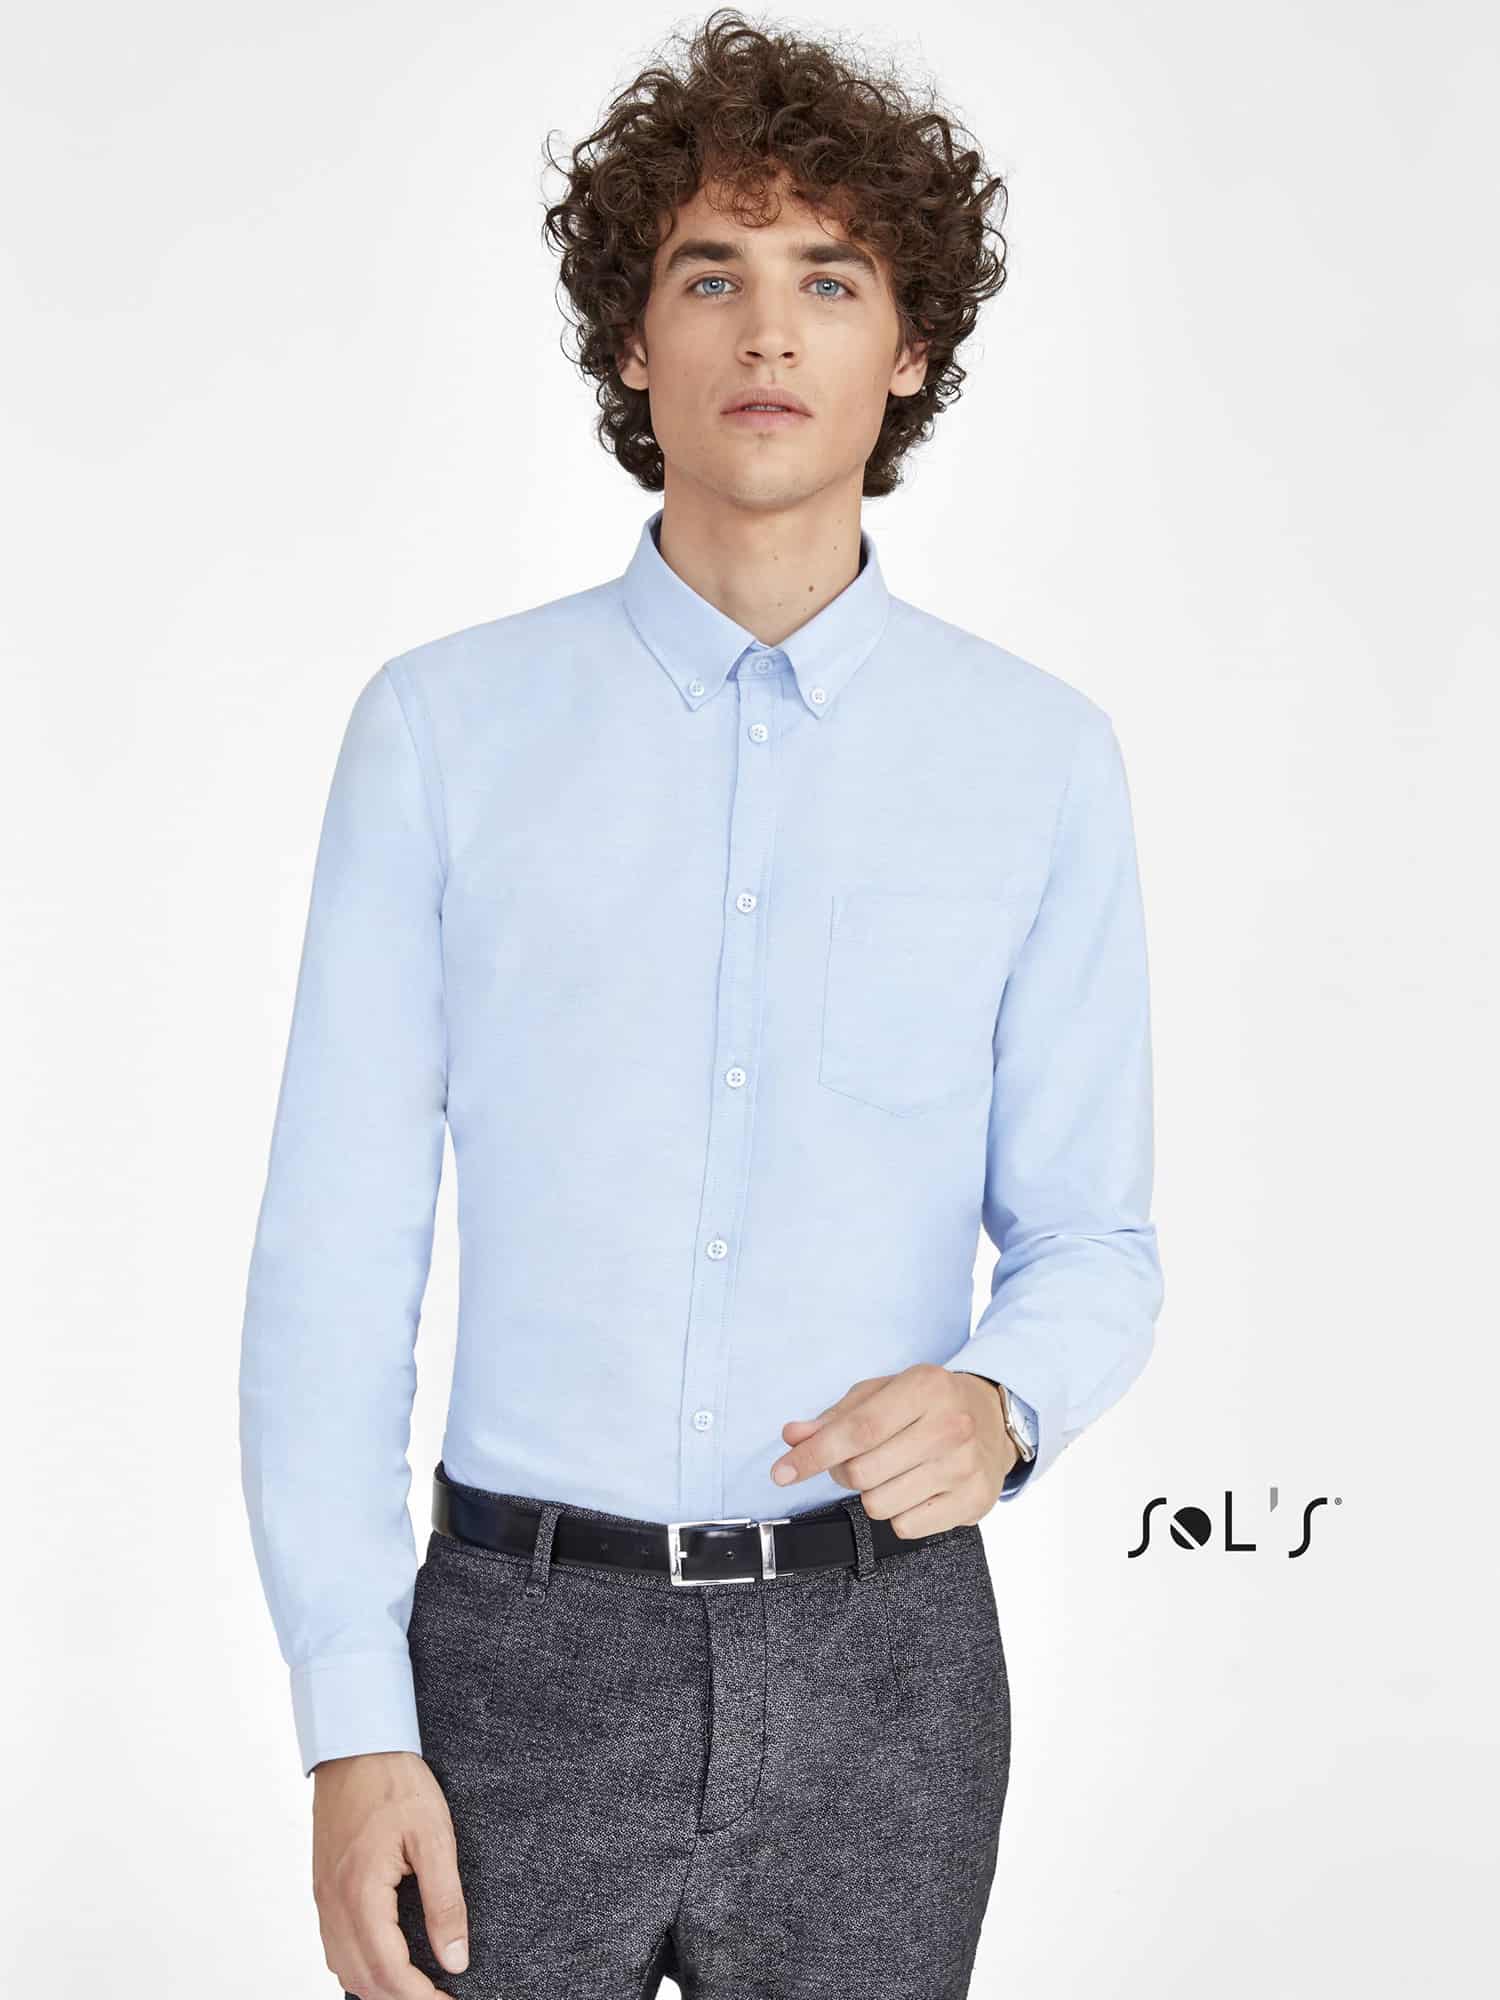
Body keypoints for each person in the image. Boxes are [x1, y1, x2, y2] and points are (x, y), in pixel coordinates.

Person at [237, 10, 1165, 1996]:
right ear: (631, 339)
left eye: (830, 279)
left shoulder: (1036, 760)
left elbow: (1094, 1238)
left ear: (906, 347)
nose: (768, 332)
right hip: (514, 1655)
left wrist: (1006, 1401)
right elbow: (335, 1256)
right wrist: (347, 1718)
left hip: (887, 1668)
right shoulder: (444, 735)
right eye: (710, 274)